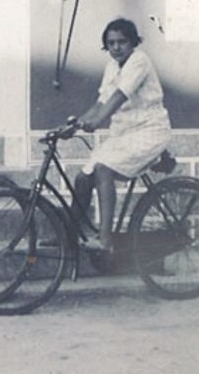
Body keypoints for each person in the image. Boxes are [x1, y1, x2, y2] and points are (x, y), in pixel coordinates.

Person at [74, 17, 172, 253]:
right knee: (82, 178)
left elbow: (119, 95)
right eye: (111, 43)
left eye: (122, 42)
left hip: (149, 130)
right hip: (124, 134)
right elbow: (101, 102)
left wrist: (97, 122)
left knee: (103, 170)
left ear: (133, 43)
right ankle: (70, 234)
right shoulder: (111, 66)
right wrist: (77, 123)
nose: (116, 47)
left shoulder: (139, 61)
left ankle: (105, 240)